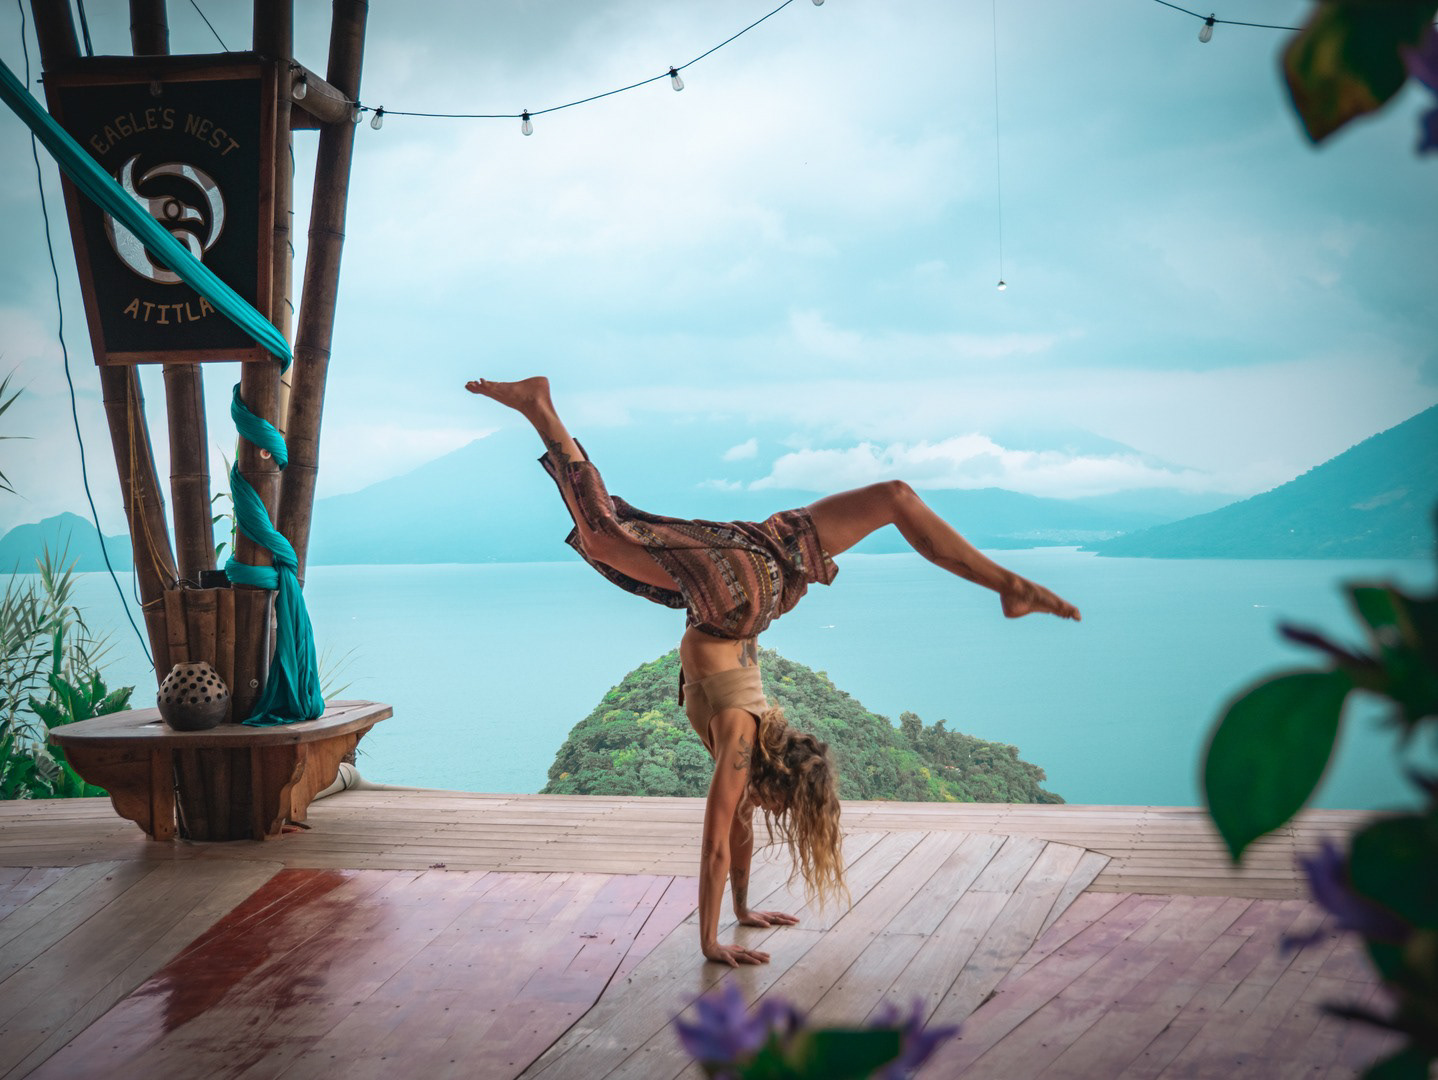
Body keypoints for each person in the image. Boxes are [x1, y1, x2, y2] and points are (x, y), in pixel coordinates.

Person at [466, 377, 1081, 967]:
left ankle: (1012, 586)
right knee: (605, 536)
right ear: (771, 779)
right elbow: (710, 847)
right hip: (737, 594)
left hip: (773, 571)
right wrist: (709, 943)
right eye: (777, 806)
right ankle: (540, 407)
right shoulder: (739, 738)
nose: (765, 812)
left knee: (895, 496)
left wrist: (742, 908)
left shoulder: (754, 740)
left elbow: (735, 838)